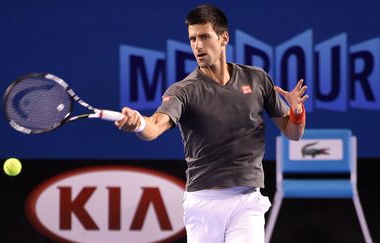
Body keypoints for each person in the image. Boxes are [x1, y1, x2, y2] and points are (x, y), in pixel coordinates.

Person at [115, 4, 308, 243]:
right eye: (193, 39)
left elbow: (293, 132)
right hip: (203, 203)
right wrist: (138, 125)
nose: (197, 45)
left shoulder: (256, 79)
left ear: (223, 38)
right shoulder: (183, 91)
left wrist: (297, 111)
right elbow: (155, 126)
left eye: (204, 37)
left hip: (246, 201)